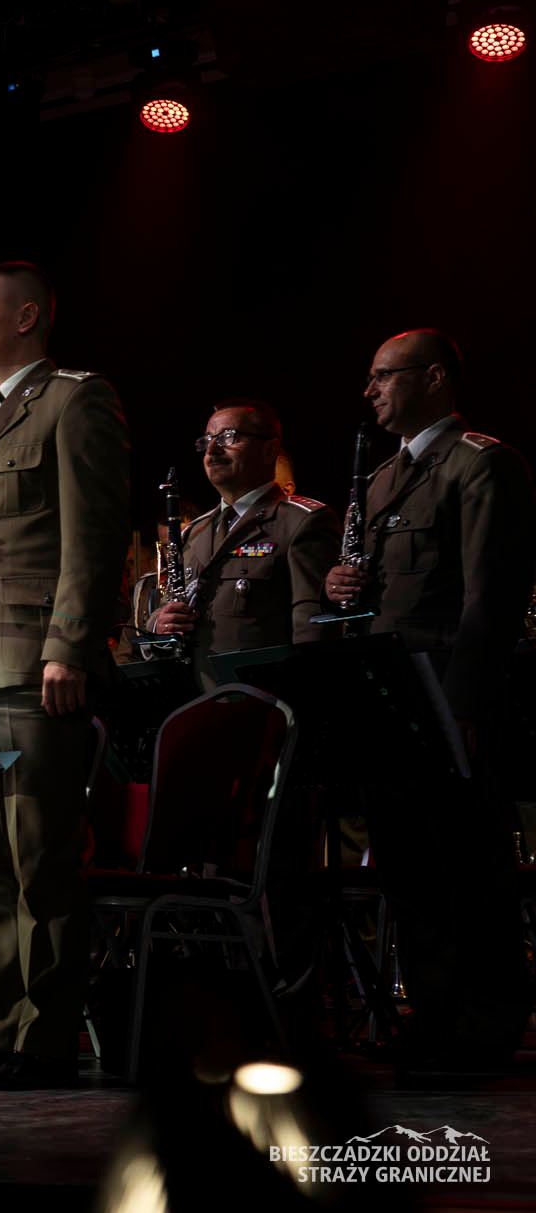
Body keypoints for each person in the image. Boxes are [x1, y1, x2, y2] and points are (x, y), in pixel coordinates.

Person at [0, 263, 130, 1089]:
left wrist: (69, 643)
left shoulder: (75, 399)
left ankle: (45, 1038)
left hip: (32, 659)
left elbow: (93, 532)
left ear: (27, 316)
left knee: (39, 854)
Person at [323, 328, 535, 1073]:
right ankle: (434, 1017)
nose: (370, 390)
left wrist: (464, 706)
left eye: (385, 375)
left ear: (436, 378)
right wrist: (341, 588)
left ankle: (485, 1026)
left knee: (469, 864)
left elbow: (490, 600)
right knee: (408, 867)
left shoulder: (481, 463)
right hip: (393, 699)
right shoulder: (382, 479)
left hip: (449, 692)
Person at [149, 401, 340, 666]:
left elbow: (313, 626)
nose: (212, 450)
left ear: (269, 449)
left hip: (263, 689)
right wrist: (159, 624)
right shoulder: (194, 532)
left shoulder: (302, 521)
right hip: (197, 688)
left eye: (229, 437)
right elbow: (165, 609)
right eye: (207, 440)